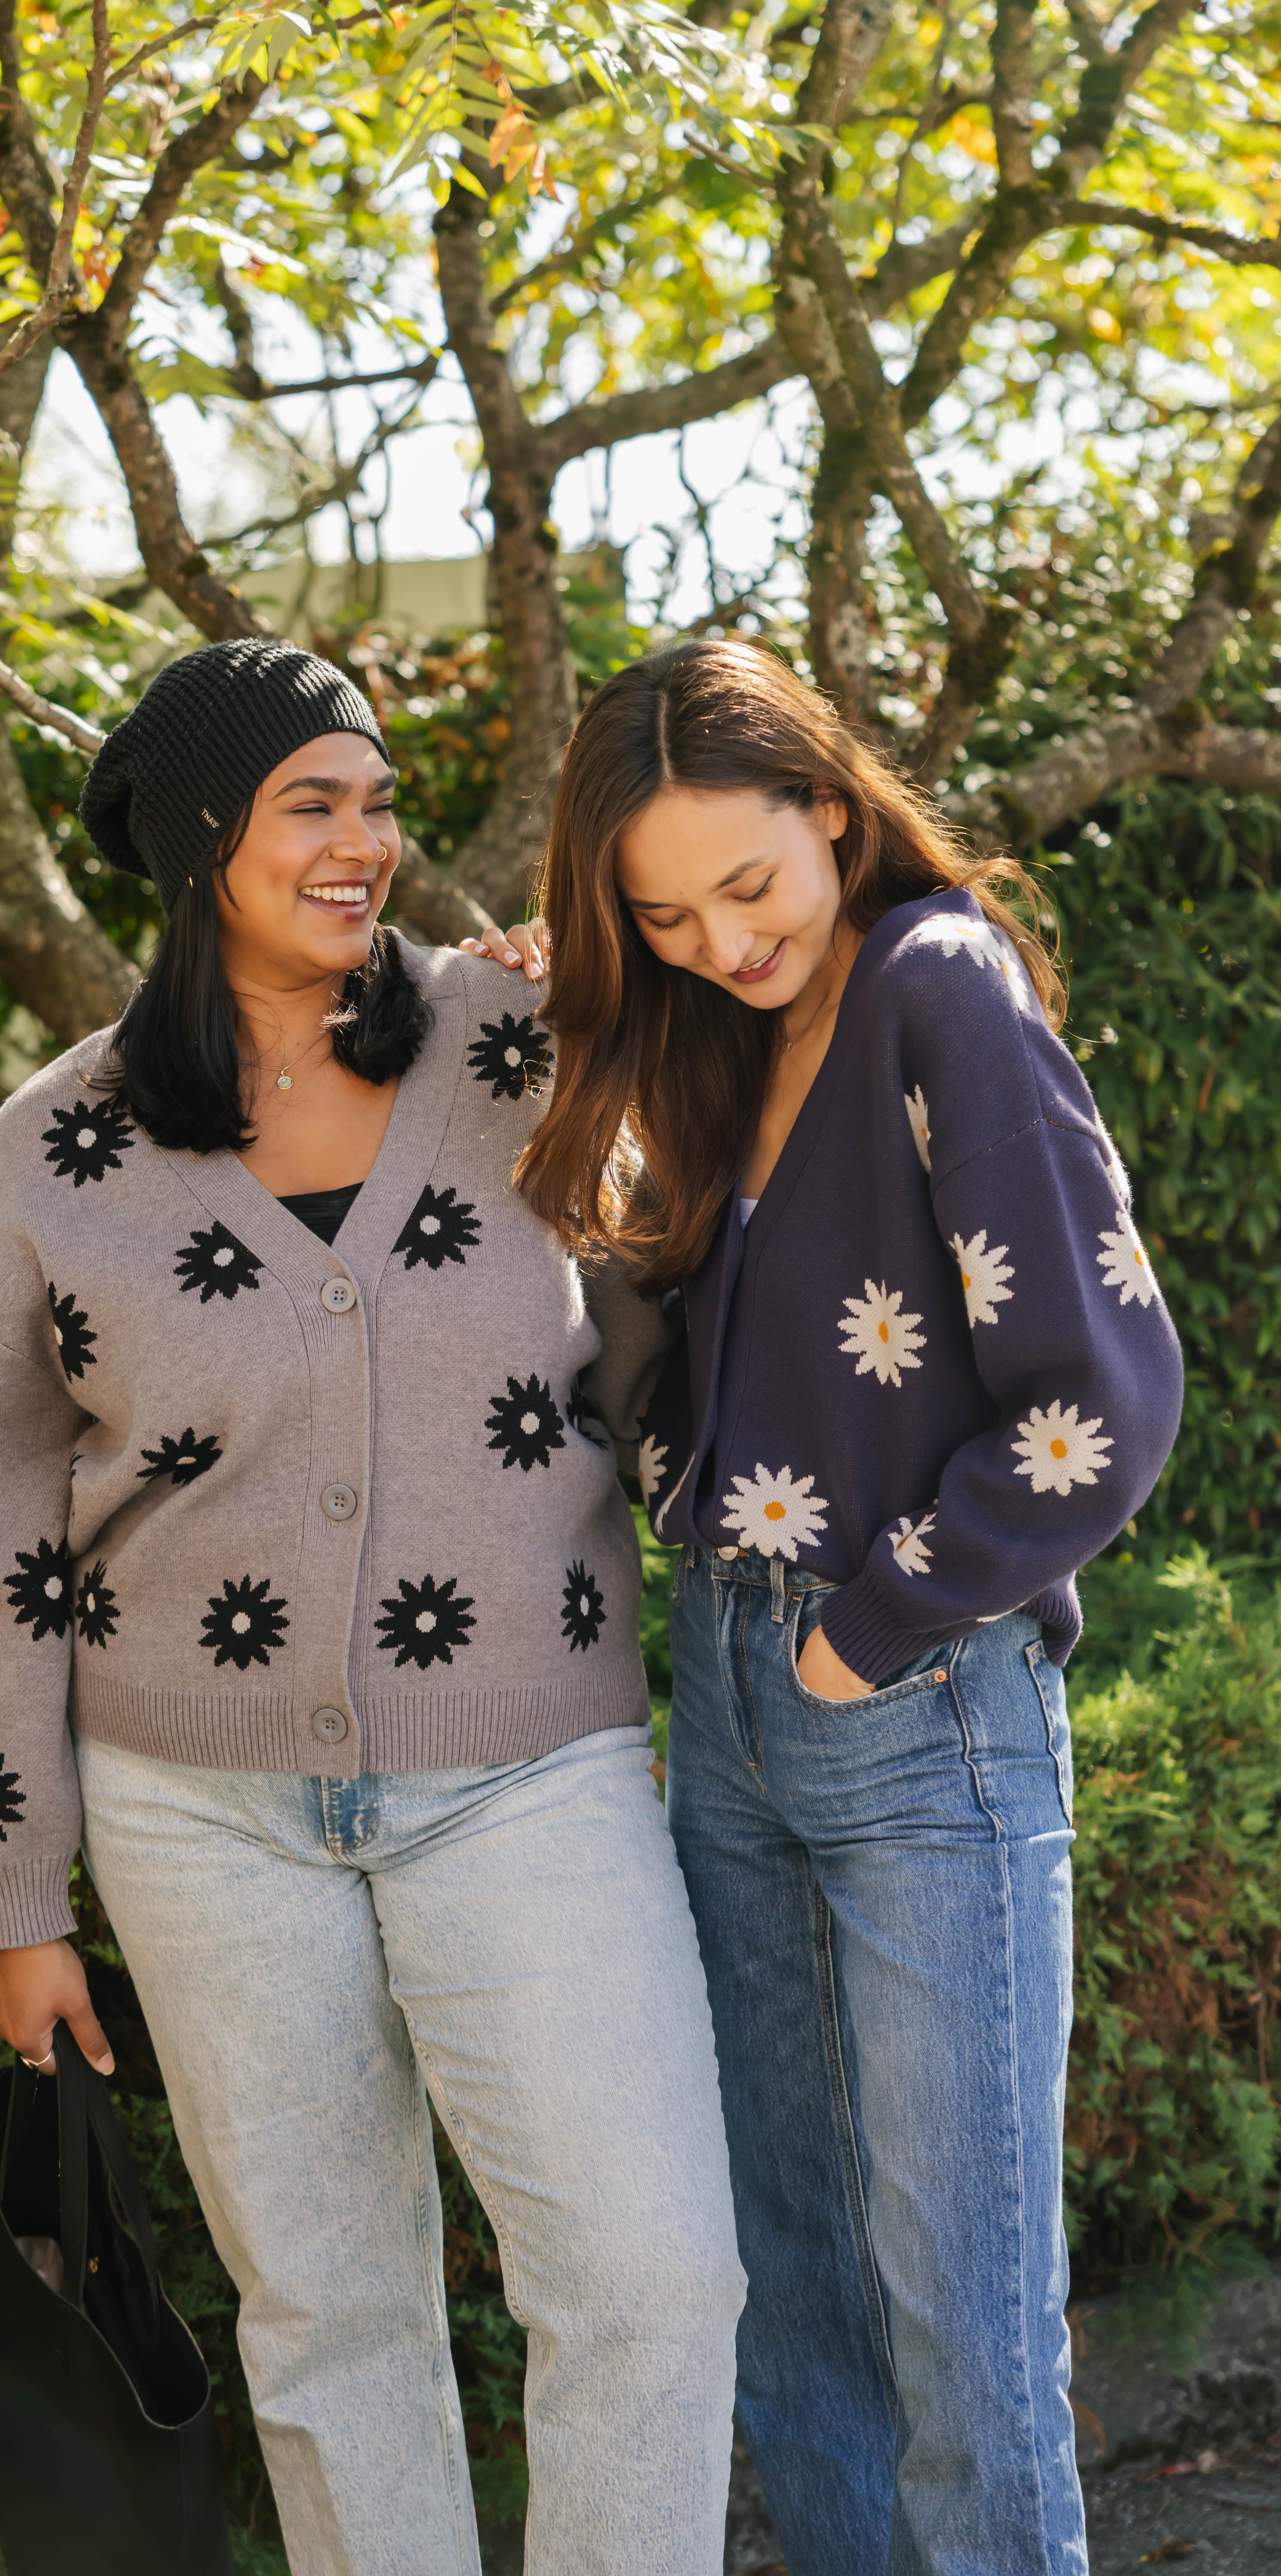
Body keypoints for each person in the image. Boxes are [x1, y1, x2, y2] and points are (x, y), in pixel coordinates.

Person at [0, 638, 744, 2576]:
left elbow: (675, 1322)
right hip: (195, 1822)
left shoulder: (518, 1044)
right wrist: (14, 1900)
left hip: (530, 1774)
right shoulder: (53, 1152)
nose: (369, 841)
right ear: (206, 839)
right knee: (328, 2322)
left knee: (651, 2283)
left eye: (375, 802)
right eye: (318, 804)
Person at [513, 638, 1184, 2576]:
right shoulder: (725, 1035)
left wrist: (870, 1627)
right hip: (728, 1693)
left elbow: (1099, 1407)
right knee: (788, 2279)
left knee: (960, 2320)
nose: (722, 938)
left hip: (908, 1693)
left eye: (751, 882)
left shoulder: (932, 985)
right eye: (664, 914)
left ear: (829, 805)